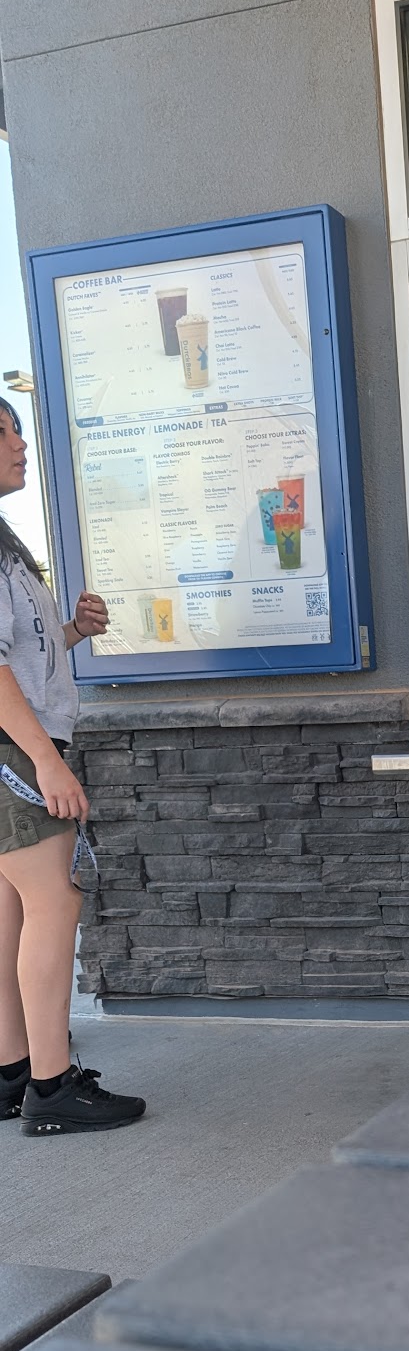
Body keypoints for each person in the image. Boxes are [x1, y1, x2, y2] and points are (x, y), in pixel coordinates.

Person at [0, 397, 145, 1133]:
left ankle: (12, 1073)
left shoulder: (5, 540)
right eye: (3, 432)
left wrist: (71, 633)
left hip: (14, 745)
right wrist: (45, 763)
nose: (19, 444)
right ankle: (52, 1090)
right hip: (15, 752)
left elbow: (20, 654)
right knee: (55, 904)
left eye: (18, 429)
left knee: (11, 913)